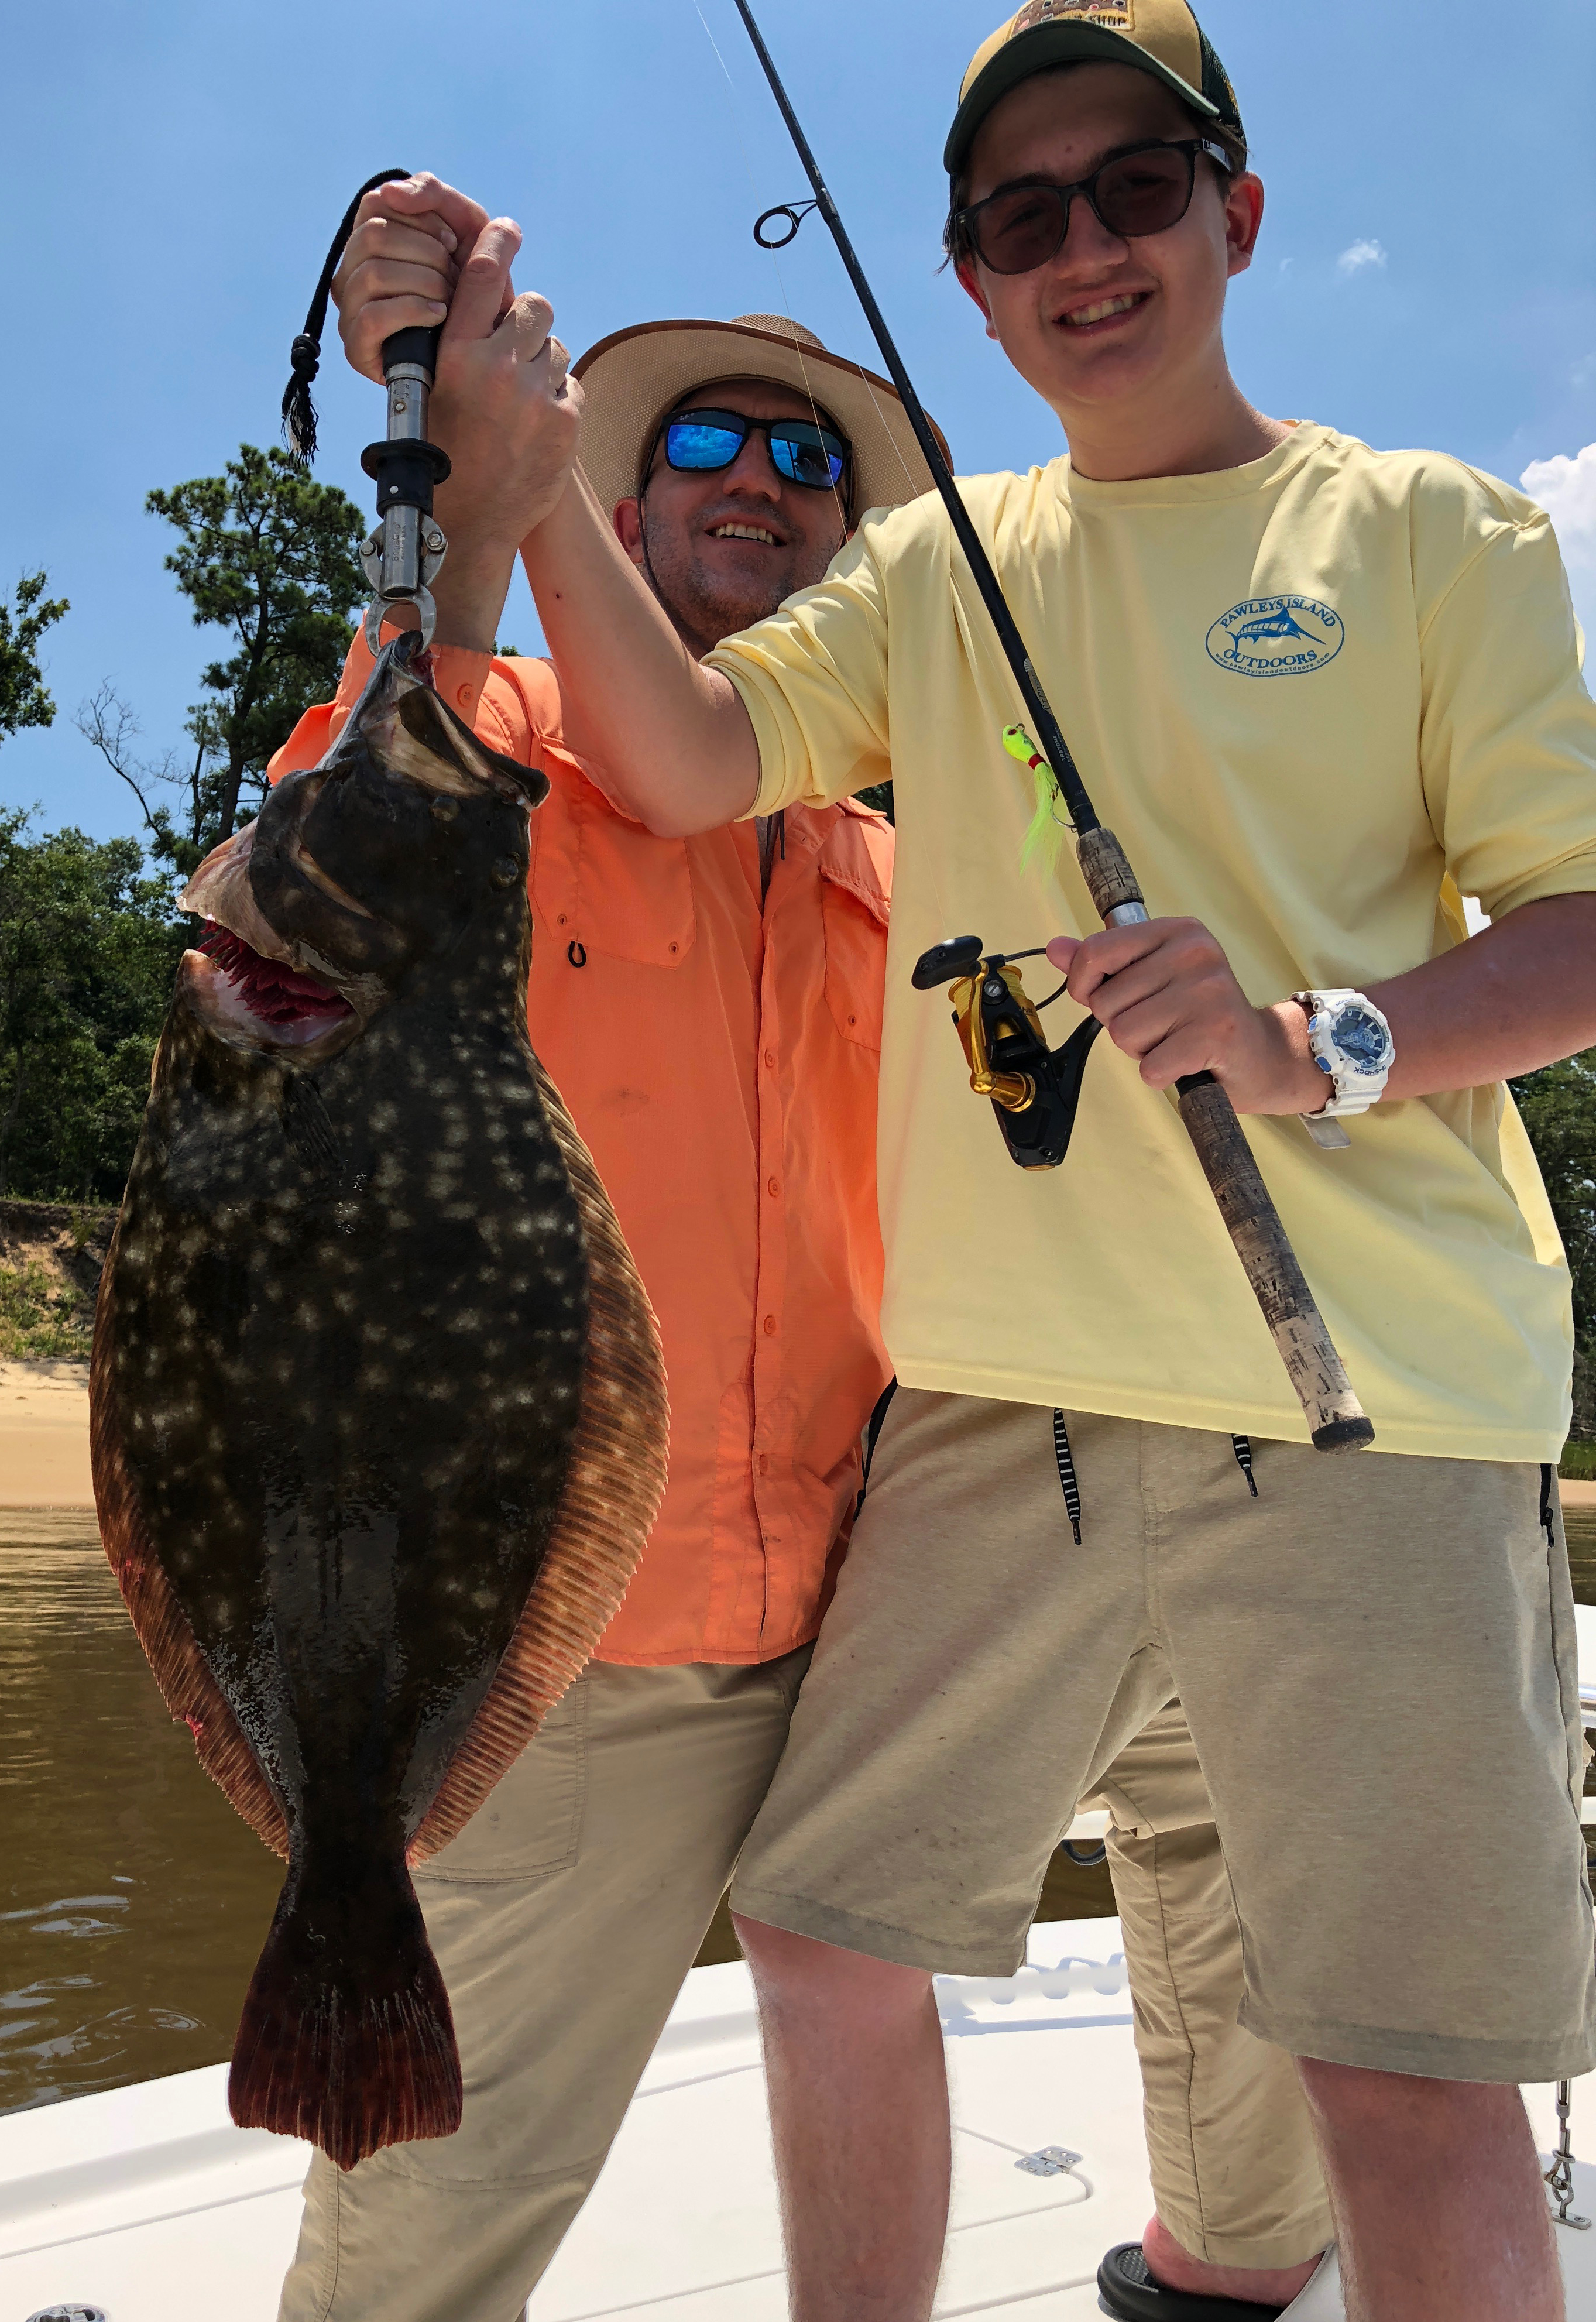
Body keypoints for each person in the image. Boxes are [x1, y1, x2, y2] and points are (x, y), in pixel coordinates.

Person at [353, 9, 1596, 2319]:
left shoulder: (1436, 526)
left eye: (1136, 187)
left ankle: (1230, 2262)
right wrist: (489, 483)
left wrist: (1324, 1036)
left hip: (1369, 1390)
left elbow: (1580, 917)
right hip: (990, 1414)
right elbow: (652, 751)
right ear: (972, 274)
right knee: (829, 1933)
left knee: (1399, 2072)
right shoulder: (925, 587)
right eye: (1022, 216)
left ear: (1236, 210)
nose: (1085, 248)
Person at [274, 183, 1339, 2320]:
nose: (758, 481)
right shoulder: (477, 751)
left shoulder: (926, 831)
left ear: (851, 534)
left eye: (806, 460)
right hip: (575, 1622)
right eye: (699, 446)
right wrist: (460, 442)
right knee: (429, 2186)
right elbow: (387, 757)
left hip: (921, 1564)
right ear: (615, 485)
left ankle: (1231, 2260)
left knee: (1223, 1795)